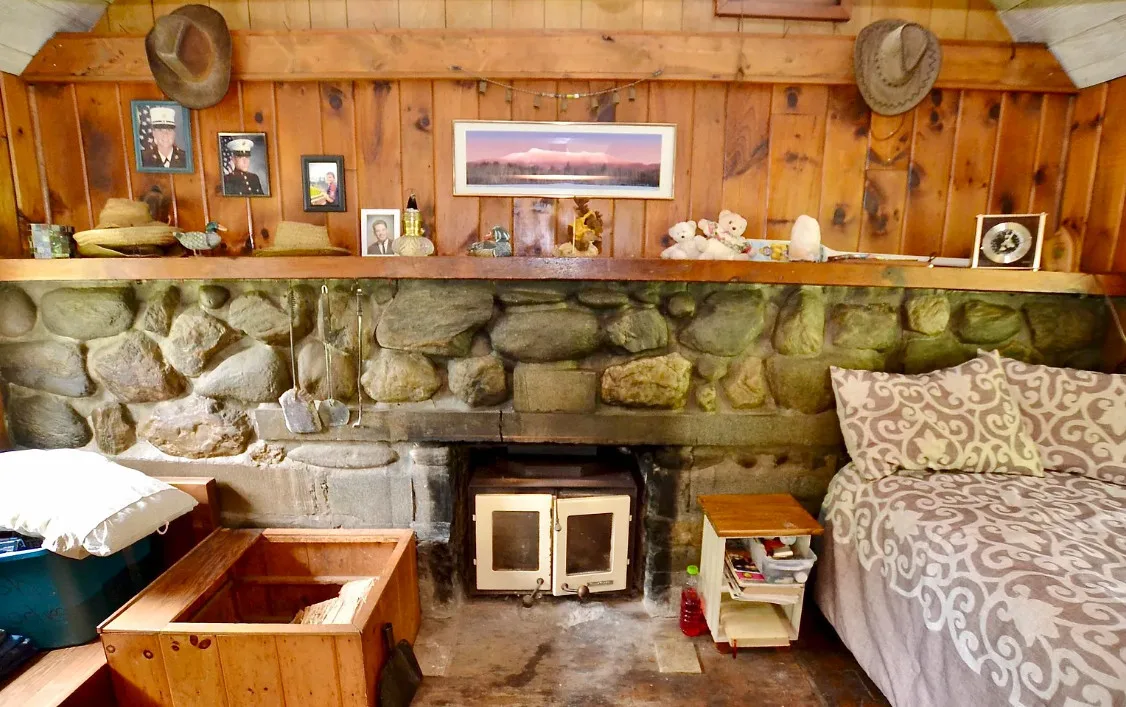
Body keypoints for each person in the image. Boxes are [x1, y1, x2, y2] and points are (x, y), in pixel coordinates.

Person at [140, 106, 188, 170]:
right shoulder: (144, 159)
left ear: (174, 134)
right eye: (160, 130)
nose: (165, 134)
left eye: (169, 130)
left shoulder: (186, 158)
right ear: (154, 133)